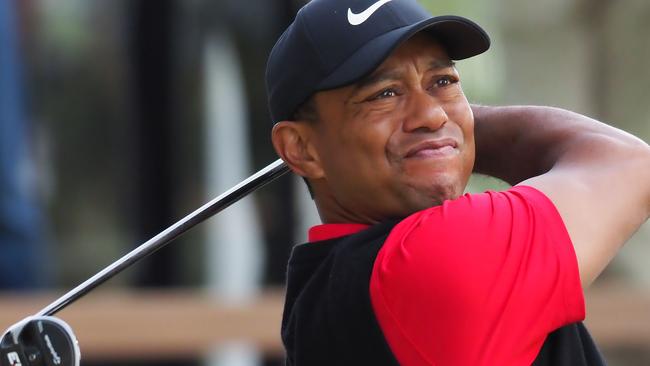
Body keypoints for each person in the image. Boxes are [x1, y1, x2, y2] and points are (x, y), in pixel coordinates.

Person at [265, 0, 650, 365]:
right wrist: (451, 133)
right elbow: (630, 164)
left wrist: (444, 133)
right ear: (301, 149)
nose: (431, 113)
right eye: (384, 94)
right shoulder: (429, 257)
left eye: (443, 81)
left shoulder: (321, 289)